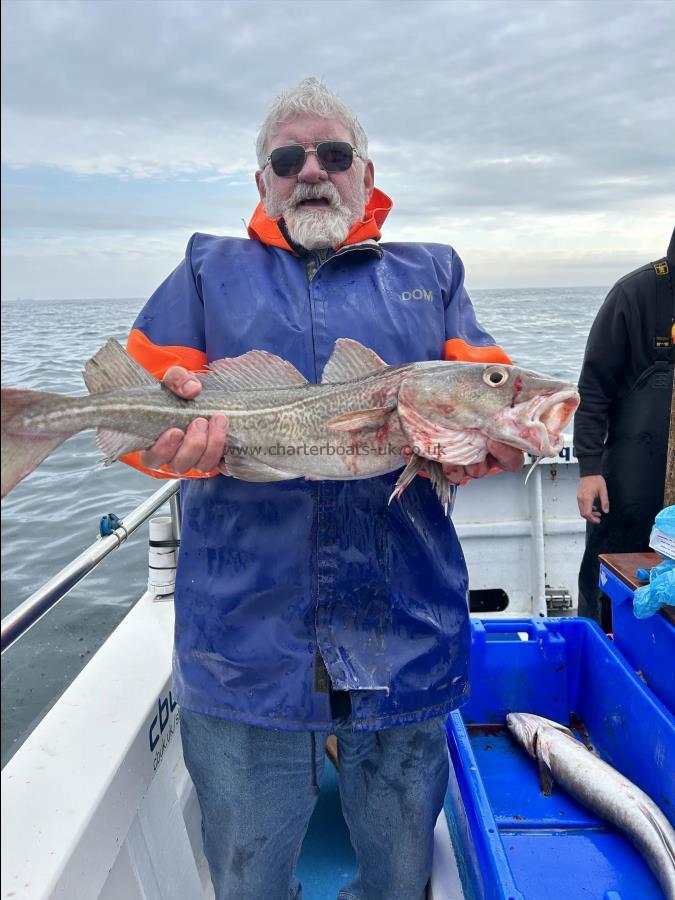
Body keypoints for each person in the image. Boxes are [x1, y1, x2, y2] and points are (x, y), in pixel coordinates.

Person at [122, 78, 523, 900]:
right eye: (288, 158)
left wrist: (493, 444)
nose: (312, 171)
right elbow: (133, 418)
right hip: (243, 643)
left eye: (333, 156)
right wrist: (168, 447)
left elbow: (491, 397)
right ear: (261, 181)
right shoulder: (204, 270)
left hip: (403, 629)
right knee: (246, 872)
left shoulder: (432, 272)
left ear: (366, 176)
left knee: (400, 864)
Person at [575, 227, 675, 630]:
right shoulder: (636, 294)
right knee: (610, 589)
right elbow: (592, 388)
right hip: (629, 486)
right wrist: (588, 469)